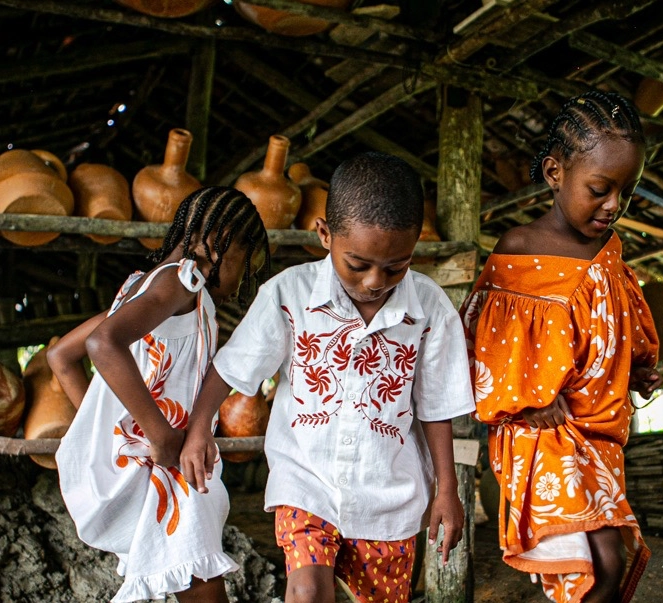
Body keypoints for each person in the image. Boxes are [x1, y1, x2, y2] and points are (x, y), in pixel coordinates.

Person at [180, 152, 476, 603]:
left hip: (389, 499)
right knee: (307, 592)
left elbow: (436, 408)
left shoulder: (430, 310)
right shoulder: (288, 295)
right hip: (305, 483)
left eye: (396, 266)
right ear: (324, 234)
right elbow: (232, 366)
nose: (376, 280)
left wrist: (447, 491)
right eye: (358, 264)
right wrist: (199, 428)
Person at [460, 91, 663, 603]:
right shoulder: (520, 249)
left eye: (627, 192)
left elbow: (615, 324)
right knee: (598, 565)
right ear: (555, 173)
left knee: (607, 564)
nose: (614, 205)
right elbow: (486, 344)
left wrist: (634, 367)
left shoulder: (609, 251)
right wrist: (531, 396)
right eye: (599, 188)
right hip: (542, 427)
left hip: (599, 433)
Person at [50, 186, 269, 603]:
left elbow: (61, 356)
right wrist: (160, 435)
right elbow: (102, 345)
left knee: (191, 578)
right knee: (202, 583)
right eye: (248, 261)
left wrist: (113, 432)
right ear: (221, 241)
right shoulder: (180, 283)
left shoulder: (144, 286)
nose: (244, 278)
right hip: (168, 463)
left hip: (162, 462)